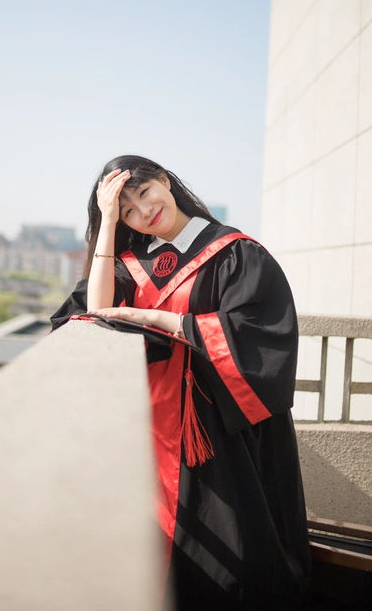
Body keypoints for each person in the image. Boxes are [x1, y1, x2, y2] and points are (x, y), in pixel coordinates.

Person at [50, 155, 311, 611]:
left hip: (216, 434)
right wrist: (107, 223)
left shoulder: (234, 252)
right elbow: (94, 314)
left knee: (226, 561)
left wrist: (159, 320)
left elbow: (258, 340)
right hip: (147, 428)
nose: (144, 211)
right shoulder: (131, 263)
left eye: (145, 192)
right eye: (127, 210)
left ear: (165, 181)